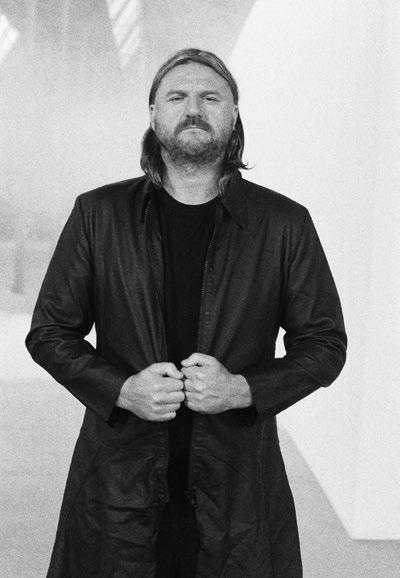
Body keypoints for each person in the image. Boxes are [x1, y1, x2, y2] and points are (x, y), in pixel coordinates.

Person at [26, 48, 347, 577]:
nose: (193, 108)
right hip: (120, 482)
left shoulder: (283, 224)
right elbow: (50, 332)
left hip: (236, 485)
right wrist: (120, 389)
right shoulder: (98, 214)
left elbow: (325, 344)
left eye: (210, 97)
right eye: (177, 96)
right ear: (154, 114)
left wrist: (242, 389)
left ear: (234, 115)